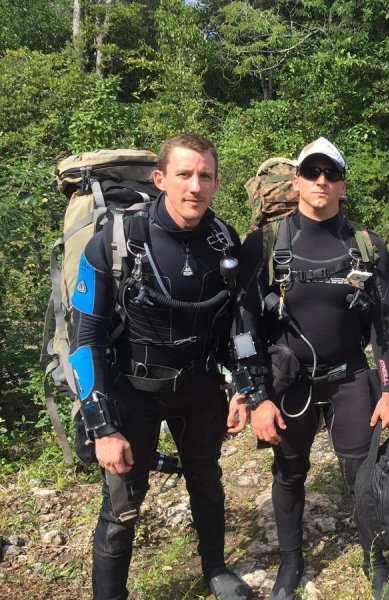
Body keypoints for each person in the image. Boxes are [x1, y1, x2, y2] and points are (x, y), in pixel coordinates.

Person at [68, 133, 251, 600]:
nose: (195, 186)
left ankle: (215, 567)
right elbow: (84, 339)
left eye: (205, 175)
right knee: (122, 506)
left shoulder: (223, 239)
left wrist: (242, 386)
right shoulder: (115, 241)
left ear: (216, 182)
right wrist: (102, 427)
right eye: (184, 174)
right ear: (160, 179)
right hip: (134, 391)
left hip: (200, 389)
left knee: (206, 482)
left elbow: (236, 323)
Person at [230, 137, 389, 600]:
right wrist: (258, 396)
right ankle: (291, 563)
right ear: (298, 181)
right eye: (312, 172)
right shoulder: (264, 244)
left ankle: (375, 557)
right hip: (289, 379)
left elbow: (383, 324)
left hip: (349, 376)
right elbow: (244, 326)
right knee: (289, 471)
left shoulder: (366, 245)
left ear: (343, 184)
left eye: (331, 173)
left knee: (360, 472)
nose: (321, 181)